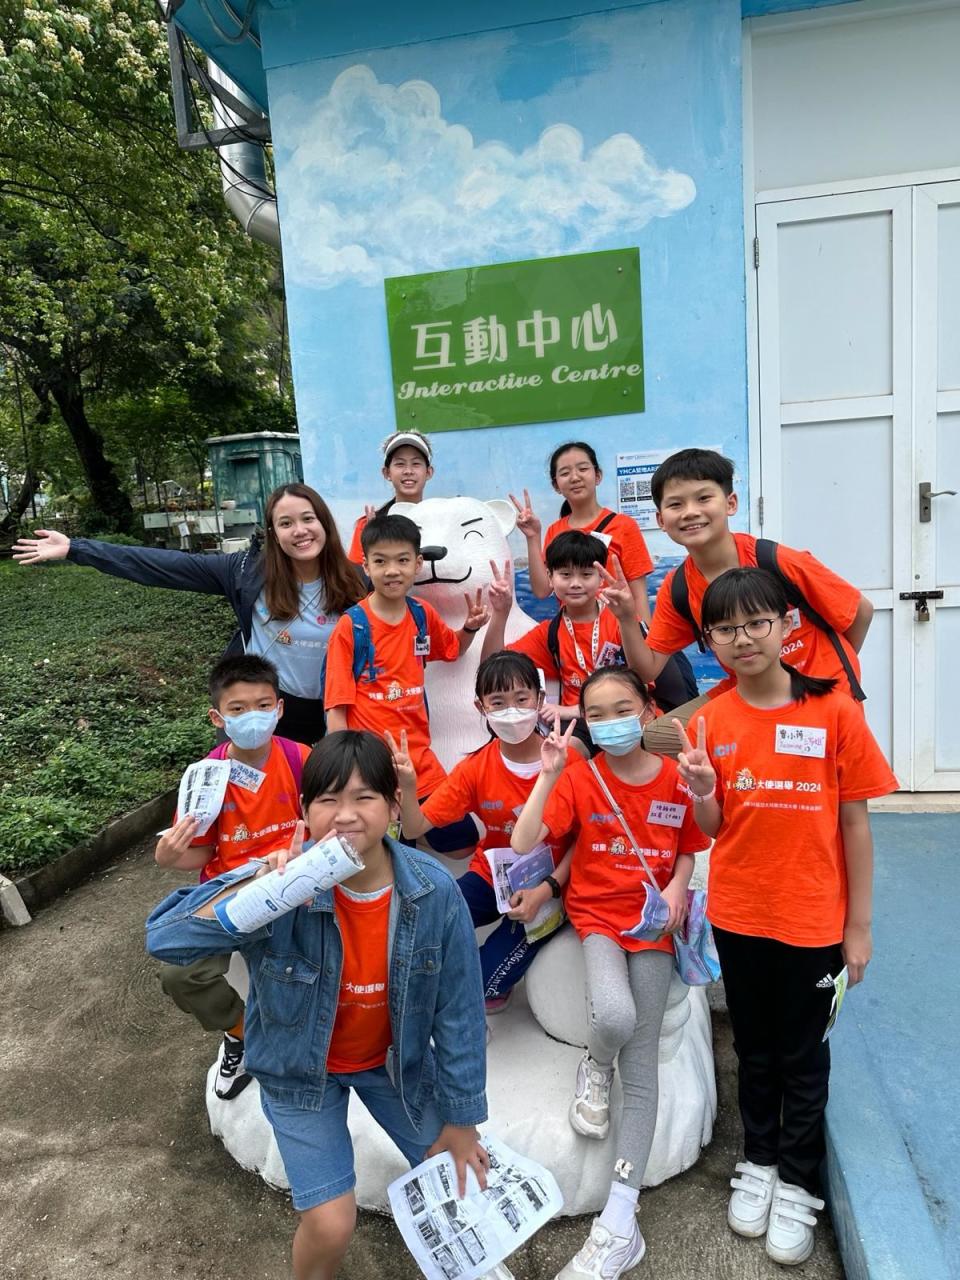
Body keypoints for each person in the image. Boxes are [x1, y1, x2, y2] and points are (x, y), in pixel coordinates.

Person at [146, 729, 505, 1280]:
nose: (346, 814)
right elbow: (167, 940)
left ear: (394, 805)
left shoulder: (433, 891)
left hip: (395, 1065)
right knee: (332, 1223)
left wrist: (462, 1118)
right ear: (304, 810)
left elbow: (458, 1010)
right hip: (299, 1072)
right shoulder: (284, 889)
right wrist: (258, 881)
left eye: (365, 797)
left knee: (461, 1174)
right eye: (328, 799)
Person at [674, 567, 896, 1267]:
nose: (742, 639)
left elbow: (856, 825)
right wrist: (702, 791)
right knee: (754, 1047)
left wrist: (858, 927)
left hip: (813, 920)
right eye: (725, 629)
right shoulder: (709, 720)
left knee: (804, 1054)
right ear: (709, 640)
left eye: (756, 623)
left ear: (787, 626)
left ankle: (798, 1181)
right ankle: (760, 1161)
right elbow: (713, 829)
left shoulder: (834, 710)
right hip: (740, 915)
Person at [511, 667, 710, 1280]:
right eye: (595, 715)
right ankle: (596, 1066)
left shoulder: (675, 777)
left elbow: (689, 845)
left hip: (653, 925)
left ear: (648, 707)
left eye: (622, 709)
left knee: (642, 1062)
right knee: (616, 1018)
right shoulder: (581, 776)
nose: (611, 723)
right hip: (597, 918)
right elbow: (523, 841)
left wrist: (676, 889)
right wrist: (548, 776)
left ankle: (621, 1219)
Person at [12, 483, 364, 745]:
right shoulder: (246, 572)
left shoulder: (359, 583)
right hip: (264, 708)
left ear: (324, 523)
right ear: (273, 533)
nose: (300, 531)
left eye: (308, 519)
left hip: (336, 712)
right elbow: (163, 565)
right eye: (286, 523)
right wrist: (77, 548)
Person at [632, 449, 874, 751]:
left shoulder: (776, 560)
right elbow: (649, 669)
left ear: (730, 503)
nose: (690, 512)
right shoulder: (678, 586)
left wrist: (833, 667)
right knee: (660, 737)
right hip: (748, 692)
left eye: (704, 498)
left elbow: (860, 612)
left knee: (802, 771)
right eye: (676, 504)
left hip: (818, 690)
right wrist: (626, 616)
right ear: (661, 519)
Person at [153, 653, 311, 1101]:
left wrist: (299, 854)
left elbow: (326, 828)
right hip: (229, 892)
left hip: (289, 884)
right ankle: (238, 1032)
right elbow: (200, 850)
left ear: (280, 708)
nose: (253, 717)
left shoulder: (302, 759)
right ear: (218, 717)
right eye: (238, 709)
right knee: (179, 974)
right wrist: (170, 856)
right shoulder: (207, 777)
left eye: (263, 705)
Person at [388, 652, 577, 1013]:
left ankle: (489, 979)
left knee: (483, 983)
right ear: (481, 707)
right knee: (428, 922)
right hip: (493, 876)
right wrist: (409, 789)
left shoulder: (568, 764)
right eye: (498, 702)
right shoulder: (476, 767)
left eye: (522, 699)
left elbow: (584, 844)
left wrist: (545, 891)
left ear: (540, 700)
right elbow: (415, 827)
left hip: (553, 886)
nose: (512, 711)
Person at [324, 512, 489, 856]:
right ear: (366, 566)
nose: (392, 570)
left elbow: (453, 649)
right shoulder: (351, 627)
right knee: (383, 854)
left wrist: (470, 628)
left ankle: (412, 836)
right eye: (380, 561)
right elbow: (336, 709)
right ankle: (404, 840)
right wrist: (347, 773)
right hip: (372, 769)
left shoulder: (421, 614)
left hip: (420, 764)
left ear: (417, 564)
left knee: (461, 844)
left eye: (402, 560)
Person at [481, 531, 646, 756]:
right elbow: (493, 665)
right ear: (550, 577)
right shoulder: (549, 632)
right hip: (579, 725)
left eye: (586, 574)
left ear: (600, 577)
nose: (575, 583)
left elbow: (644, 681)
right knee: (562, 756)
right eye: (565, 574)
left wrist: (570, 710)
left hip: (625, 715)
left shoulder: (621, 619)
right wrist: (500, 613)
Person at [511, 441, 653, 622]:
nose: (575, 477)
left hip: (618, 632)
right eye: (565, 473)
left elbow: (639, 596)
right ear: (556, 485)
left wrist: (644, 635)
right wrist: (533, 537)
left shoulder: (624, 526)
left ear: (598, 476)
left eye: (583, 469)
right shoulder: (555, 531)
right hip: (572, 633)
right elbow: (542, 590)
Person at [346, 430, 435, 566]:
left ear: (428, 472)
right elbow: (356, 575)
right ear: (386, 473)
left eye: (416, 463)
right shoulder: (367, 525)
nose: (408, 471)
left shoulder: (440, 521)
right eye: (400, 464)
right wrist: (372, 538)